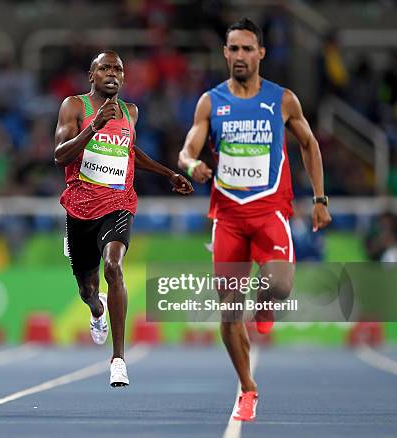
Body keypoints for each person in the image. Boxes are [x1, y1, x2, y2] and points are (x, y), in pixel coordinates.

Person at [177, 18, 331, 421]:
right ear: (225, 53)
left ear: (261, 53)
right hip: (227, 217)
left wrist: (319, 197)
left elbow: (309, 145)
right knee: (228, 311)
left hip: (269, 212)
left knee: (279, 285)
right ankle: (247, 388)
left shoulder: (282, 100)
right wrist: (192, 164)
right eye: (234, 49)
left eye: (248, 48)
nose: (240, 56)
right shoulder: (211, 102)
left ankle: (264, 306)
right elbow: (187, 149)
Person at [54, 50, 193, 386]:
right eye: (104, 68)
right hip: (81, 206)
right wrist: (94, 127)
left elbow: (129, 151)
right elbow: (60, 156)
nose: (112, 73)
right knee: (87, 288)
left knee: (114, 266)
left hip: (119, 201)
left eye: (118, 68)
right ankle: (96, 308)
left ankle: (118, 358)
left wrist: (167, 173)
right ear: (92, 75)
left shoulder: (131, 111)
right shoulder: (75, 107)